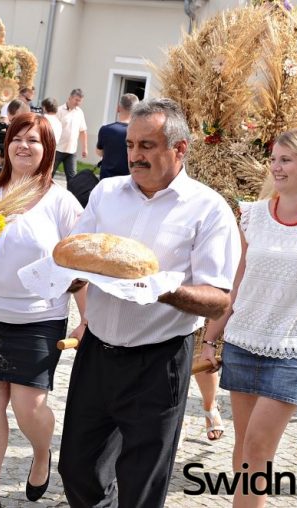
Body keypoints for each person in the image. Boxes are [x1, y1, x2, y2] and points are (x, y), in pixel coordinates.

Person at [57, 98, 240, 507]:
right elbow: (80, 259)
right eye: (131, 145)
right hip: (97, 355)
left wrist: (161, 288)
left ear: (180, 149)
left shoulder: (208, 210)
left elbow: (217, 301)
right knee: (76, 467)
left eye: (148, 146)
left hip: (158, 363)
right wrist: (64, 278)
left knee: (142, 485)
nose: (135, 156)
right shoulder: (106, 193)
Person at [199, 128, 297, 508]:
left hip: (295, 352)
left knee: (257, 446)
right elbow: (235, 286)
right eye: (273, 159)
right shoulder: (251, 216)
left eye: (286, 159)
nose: (276, 167)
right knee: (244, 450)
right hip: (243, 344)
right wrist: (210, 339)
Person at [0, 113, 84, 507]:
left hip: (40, 319)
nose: (24, 146)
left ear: (47, 150)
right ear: (5, 146)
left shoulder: (62, 202)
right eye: (18, 138)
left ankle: (41, 452)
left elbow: (78, 265)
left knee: (28, 406)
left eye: (34, 141)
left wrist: (88, 320)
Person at [96, 93, 139, 179]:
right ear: (136, 111)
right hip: (128, 180)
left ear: (118, 108)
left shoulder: (105, 129)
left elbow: (99, 152)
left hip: (106, 179)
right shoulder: (138, 132)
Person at [53, 89, 87, 183]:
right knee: (49, 174)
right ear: (70, 98)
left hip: (71, 151)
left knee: (73, 178)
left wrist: (85, 148)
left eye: (80, 101)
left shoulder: (80, 112)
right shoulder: (59, 111)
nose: (78, 103)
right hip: (57, 149)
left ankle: (72, 197)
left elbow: (83, 131)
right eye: (76, 100)